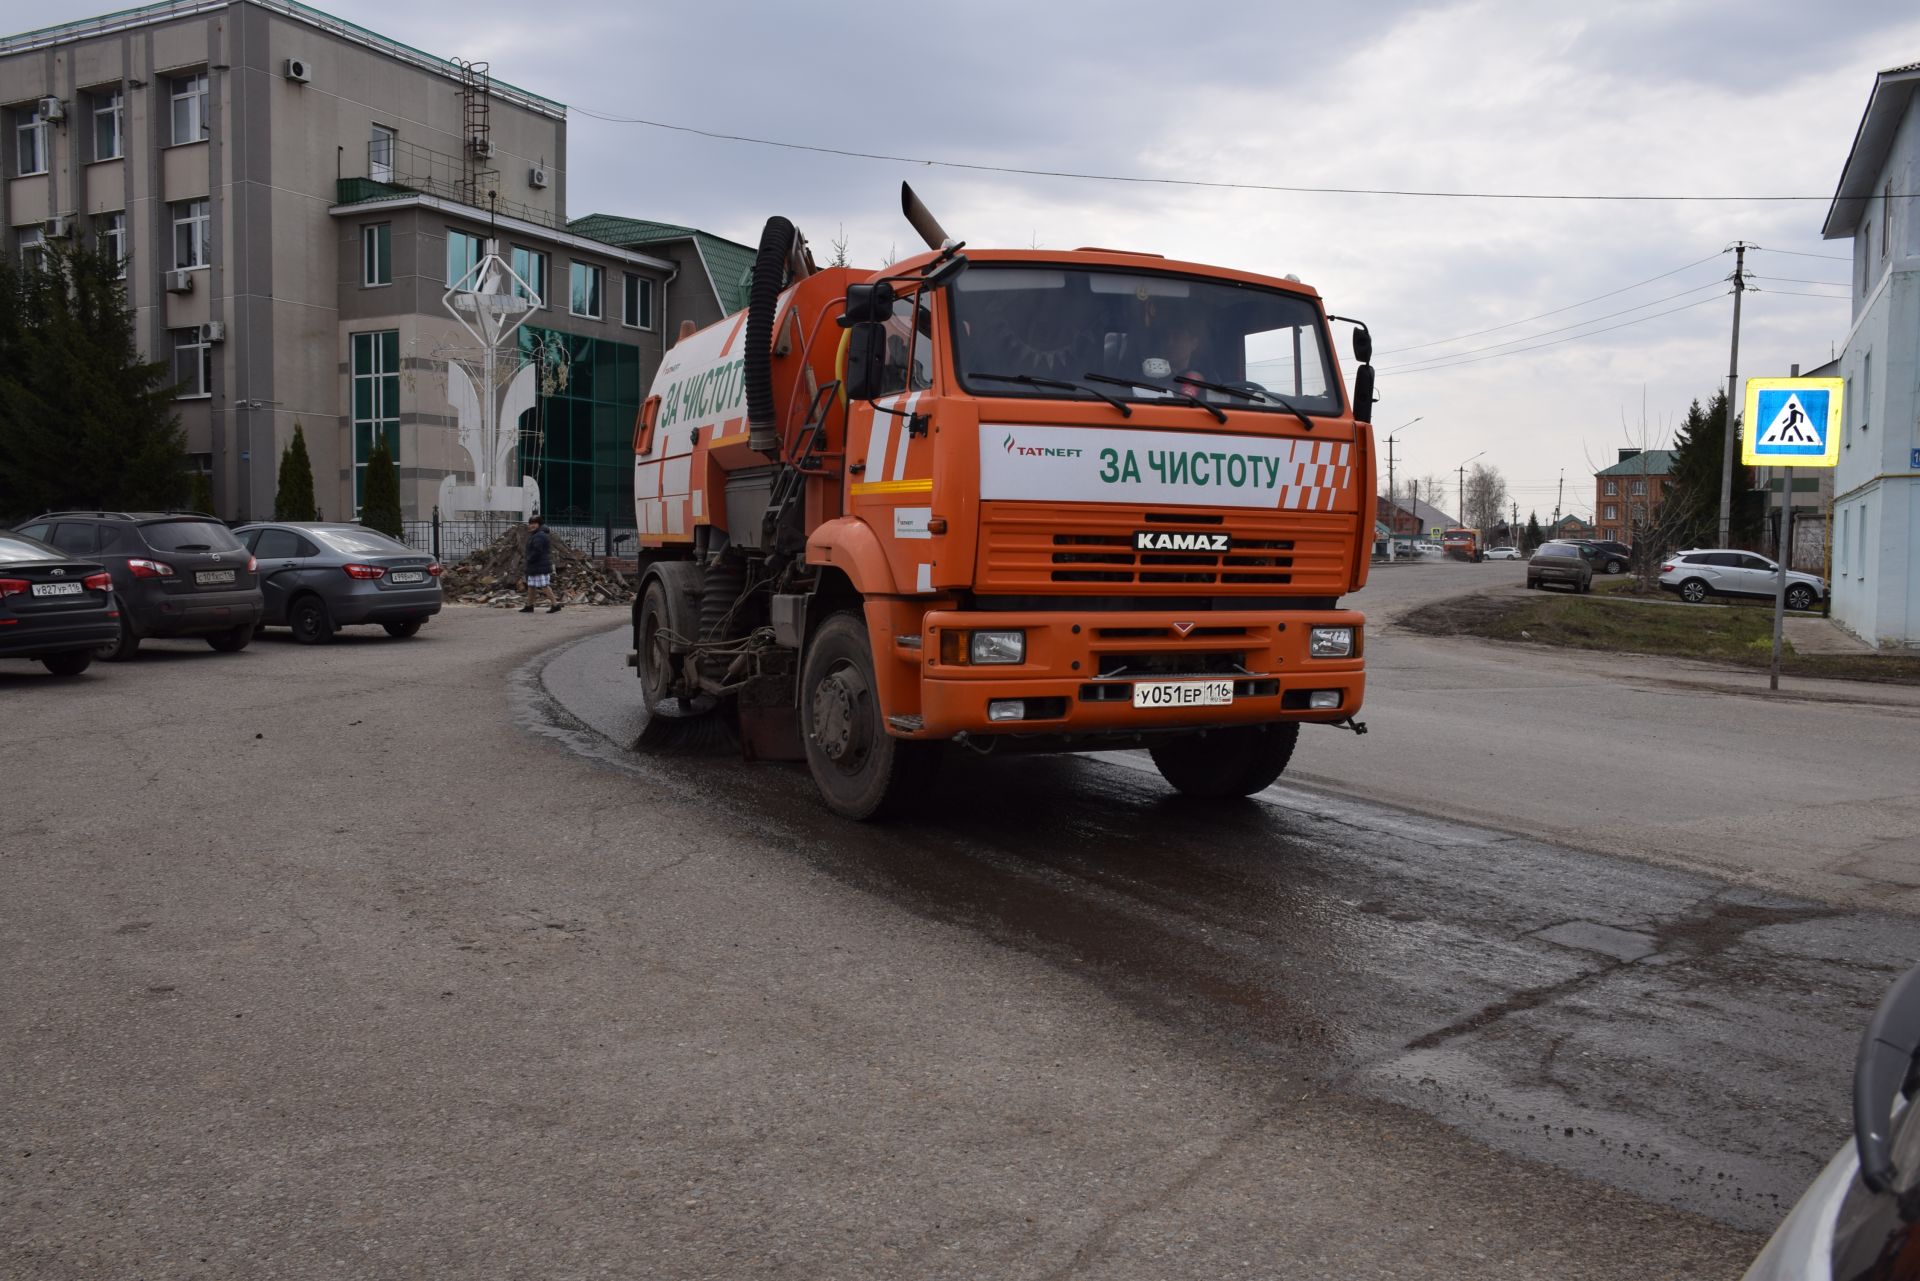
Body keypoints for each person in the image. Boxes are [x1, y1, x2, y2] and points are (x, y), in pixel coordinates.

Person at [521, 515, 560, 614]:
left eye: (534, 523)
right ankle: (529, 606)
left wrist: (529, 559)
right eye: (530, 523)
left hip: (539, 565)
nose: (531, 526)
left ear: (539, 524)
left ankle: (555, 605)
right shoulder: (536, 534)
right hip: (535, 565)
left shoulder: (540, 535)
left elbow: (537, 551)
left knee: (544, 586)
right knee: (531, 585)